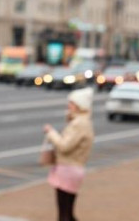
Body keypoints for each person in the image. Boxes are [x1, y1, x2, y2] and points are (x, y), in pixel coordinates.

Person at [43, 87, 95, 221]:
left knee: (64, 212)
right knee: (68, 211)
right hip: (74, 168)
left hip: (68, 168)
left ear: (79, 105)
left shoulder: (79, 124)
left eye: (71, 103)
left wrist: (51, 133)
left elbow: (64, 146)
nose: (68, 106)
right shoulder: (84, 122)